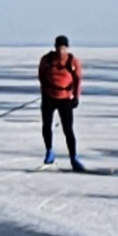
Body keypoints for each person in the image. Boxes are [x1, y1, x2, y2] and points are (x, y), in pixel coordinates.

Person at [36, 35, 84, 170]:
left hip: (65, 99)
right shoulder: (46, 60)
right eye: (58, 47)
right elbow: (41, 76)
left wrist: (76, 97)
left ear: (67, 48)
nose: (61, 50)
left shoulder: (73, 62)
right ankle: (49, 151)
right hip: (49, 98)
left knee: (68, 129)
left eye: (63, 48)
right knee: (47, 125)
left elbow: (78, 80)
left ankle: (74, 158)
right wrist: (45, 91)